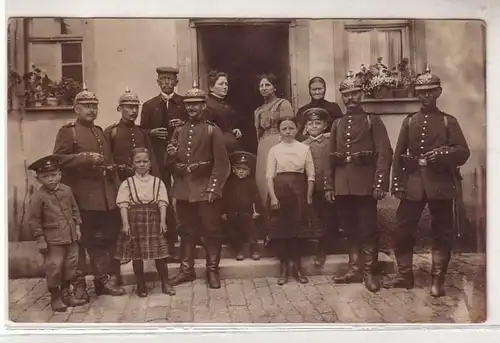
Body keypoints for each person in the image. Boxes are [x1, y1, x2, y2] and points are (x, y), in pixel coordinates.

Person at [384, 66, 470, 297]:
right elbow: (398, 154)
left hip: (440, 184)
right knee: (402, 229)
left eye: (431, 91)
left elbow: (463, 152)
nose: (426, 96)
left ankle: (437, 279)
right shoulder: (410, 121)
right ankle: (405, 276)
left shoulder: (447, 121)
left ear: (439, 92)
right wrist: (397, 183)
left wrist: (442, 155)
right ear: (416, 93)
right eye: (421, 92)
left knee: (442, 231)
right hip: (412, 183)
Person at [53, 85, 126, 303]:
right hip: (83, 198)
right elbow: (57, 160)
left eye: (94, 106)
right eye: (86, 106)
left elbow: (109, 162)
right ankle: (79, 286)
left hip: (105, 197)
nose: (91, 110)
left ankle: (101, 282)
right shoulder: (69, 131)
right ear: (76, 108)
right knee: (82, 243)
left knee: (103, 242)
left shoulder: (100, 131)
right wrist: (83, 157)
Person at [325, 71, 393, 293]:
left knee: (367, 228)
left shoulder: (372, 121)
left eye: (354, 94)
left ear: (362, 95)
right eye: (346, 95)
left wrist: (380, 184)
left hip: (365, 185)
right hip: (343, 185)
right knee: (349, 228)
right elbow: (330, 157)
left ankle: (369, 271)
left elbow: (385, 153)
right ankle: (354, 269)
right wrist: (329, 185)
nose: (350, 99)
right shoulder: (337, 124)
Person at [166, 82, 230, 289]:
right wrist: (172, 159)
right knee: (186, 230)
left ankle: (212, 270)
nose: (192, 108)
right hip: (185, 190)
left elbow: (222, 164)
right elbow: (169, 164)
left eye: (196, 104)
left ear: (204, 106)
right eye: (188, 104)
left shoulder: (213, 130)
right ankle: (187, 270)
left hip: (206, 189)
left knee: (212, 230)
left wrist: (213, 188)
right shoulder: (178, 130)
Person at [27, 155, 87, 312]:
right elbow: (34, 220)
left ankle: (67, 295)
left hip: (71, 236)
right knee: (54, 268)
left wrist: (78, 228)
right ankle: (55, 298)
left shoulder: (66, 190)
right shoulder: (38, 197)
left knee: (70, 266)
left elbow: (75, 210)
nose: (51, 179)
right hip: (53, 240)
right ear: (38, 179)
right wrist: (40, 239)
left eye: (53, 175)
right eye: (45, 176)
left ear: (60, 174)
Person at [140, 66, 188, 263]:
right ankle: (168, 243)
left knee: (185, 195)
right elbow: (141, 130)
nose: (167, 82)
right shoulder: (150, 105)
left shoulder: (184, 103)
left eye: (171, 79)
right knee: (164, 196)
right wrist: (151, 132)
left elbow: (193, 125)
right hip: (159, 158)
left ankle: (189, 239)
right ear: (158, 82)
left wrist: (182, 126)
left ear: (176, 82)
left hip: (181, 157)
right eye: (163, 79)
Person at [114, 148, 175, 297]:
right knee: (137, 254)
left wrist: (162, 221)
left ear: (150, 163)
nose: (142, 164)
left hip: (153, 218)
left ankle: (165, 282)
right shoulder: (127, 183)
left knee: (160, 254)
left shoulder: (157, 182)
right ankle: (140, 284)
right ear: (133, 164)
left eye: (145, 161)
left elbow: (162, 203)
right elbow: (123, 204)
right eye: (138, 161)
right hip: (135, 220)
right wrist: (125, 223)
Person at [266, 117, 315, 286]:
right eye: (284, 128)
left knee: (296, 232)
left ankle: (297, 269)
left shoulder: (304, 148)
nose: (288, 131)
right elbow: (269, 176)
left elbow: (311, 175)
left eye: (291, 128)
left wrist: (308, 196)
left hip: (298, 191)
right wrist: (273, 197)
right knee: (282, 231)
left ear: (296, 130)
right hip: (280, 191)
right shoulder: (274, 150)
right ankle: (284, 269)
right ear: (279, 131)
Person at [301, 107, 337, 267]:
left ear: (324, 126)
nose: (314, 126)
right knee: (314, 218)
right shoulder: (302, 145)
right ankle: (314, 249)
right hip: (310, 188)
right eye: (310, 123)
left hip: (327, 186)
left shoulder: (331, 142)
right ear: (306, 127)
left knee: (328, 217)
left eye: (318, 123)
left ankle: (323, 249)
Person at [254, 73, 295, 205]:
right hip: (263, 145)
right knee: (263, 177)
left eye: (267, 85)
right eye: (261, 85)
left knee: (278, 176)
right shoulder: (258, 110)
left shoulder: (283, 104)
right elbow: (258, 132)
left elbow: (289, 128)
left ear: (274, 87)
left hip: (279, 142)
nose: (264, 88)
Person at [105, 87, 160, 182]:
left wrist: (156, 181)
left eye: (136, 107)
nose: (134, 111)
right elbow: (108, 159)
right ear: (120, 109)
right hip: (120, 180)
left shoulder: (142, 132)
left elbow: (151, 158)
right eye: (130, 107)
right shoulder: (112, 132)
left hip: (142, 180)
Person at [221, 151, 263, 261]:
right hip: (232, 214)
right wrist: (223, 212)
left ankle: (254, 249)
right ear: (234, 170)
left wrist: (255, 211)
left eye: (244, 169)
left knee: (252, 230)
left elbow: (256, 198)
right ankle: (238, 250)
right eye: (238, 168)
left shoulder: (251, 183)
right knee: (232, 232)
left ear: (249, 172)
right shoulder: (229, 183)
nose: (241, 171)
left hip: (247, 213)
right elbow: (224, 198)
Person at [205, 70, 243, 154]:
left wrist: (235, 130)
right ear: (211, 87)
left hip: (230, 147)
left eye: (226, 84)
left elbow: (229, 124)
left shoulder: (226, 105)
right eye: (221, 84)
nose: (225, 87)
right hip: (217, 147)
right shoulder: (207, 105)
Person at [296, 76, 343, 142]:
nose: (317, 92)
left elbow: (341, 129)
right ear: (309, 90)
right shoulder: (302, 110)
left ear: (325, 89)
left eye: (320, 89)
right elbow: (298, 134)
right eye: (314, 89)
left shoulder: (334, 107)